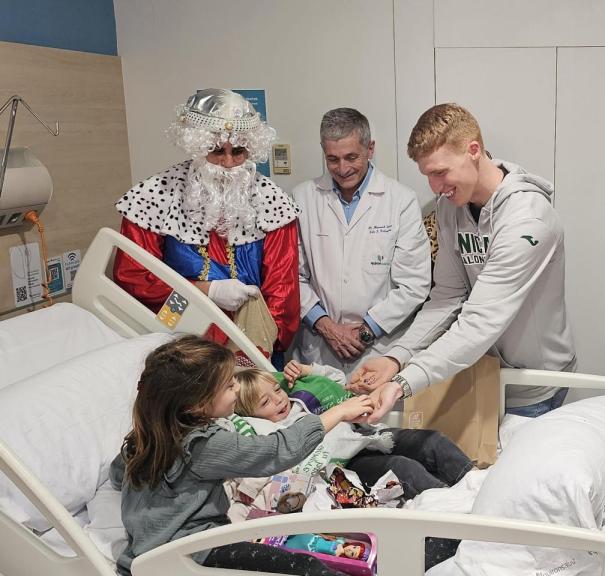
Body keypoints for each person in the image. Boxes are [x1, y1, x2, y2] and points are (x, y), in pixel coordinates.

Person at [352, 103, 575, 420]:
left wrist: (403, 383)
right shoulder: (450, 208)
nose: (435, 187)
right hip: (485, 374)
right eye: (428, 175)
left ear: (473, 150)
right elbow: (447, 296)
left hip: (534, 385)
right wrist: (396, 357)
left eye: (440, 172)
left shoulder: (528, 220)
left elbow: (480, 321)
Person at [109, 335, 374, 576]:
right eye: (228, 385)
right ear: (197, 405)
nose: (237, 387)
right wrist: (339, 412)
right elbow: (278, 450)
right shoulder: (201, 445)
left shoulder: (146, 437)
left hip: (147, 557)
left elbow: (117, 475)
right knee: (308, 567)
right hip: (191, 553)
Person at [113, 89, 300, 366]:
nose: (228, 163)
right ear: (197, 147)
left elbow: (282, 293)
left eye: (238, 151)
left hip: (254, 347)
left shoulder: (273, 203)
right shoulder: (154, 196)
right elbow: (134, 280)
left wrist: (252, 354)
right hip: (179, 345)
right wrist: (204, 291)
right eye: (216, 150)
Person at [291, 108, 431, 375]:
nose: (343, 169)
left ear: (370, 149)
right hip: (319, 348)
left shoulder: (400, 200)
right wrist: (326, 326)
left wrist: (366, 331)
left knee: (378, 403)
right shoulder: (302, 198)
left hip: (379, 349)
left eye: (351, 157)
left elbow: (414, 283)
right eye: (333, 159)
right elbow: (292, 277)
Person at [233, 361, 473, 499]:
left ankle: (477, 485)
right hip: (345, 464)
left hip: (368, 435)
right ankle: (453, 511)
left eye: (277, 390)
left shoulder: (300, 398)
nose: (278, 399)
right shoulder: (270, 433)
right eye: (265, 402)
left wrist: (309, 370)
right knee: (402, 468)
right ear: (251, 414)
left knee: (432, 441)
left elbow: (337, 382)